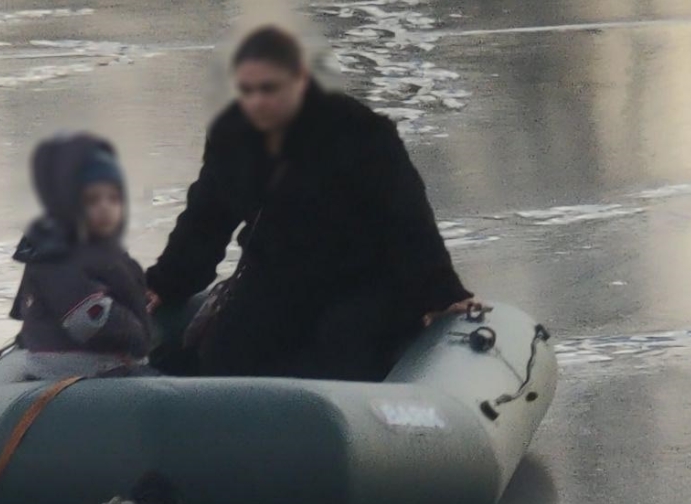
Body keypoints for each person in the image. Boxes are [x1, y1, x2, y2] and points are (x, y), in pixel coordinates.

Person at [145, 26, 483, 382]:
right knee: (227, 351)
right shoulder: (232, 137)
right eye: (247, 91)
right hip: (279, 275)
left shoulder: (362, 134)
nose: (257, 101)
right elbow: (206, 220)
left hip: (365, 279)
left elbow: (408, 221)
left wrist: (442, 292)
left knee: (341, 344)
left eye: (269, 89)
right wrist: (167, 282)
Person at [7, 132, 153, 379]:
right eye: (93, 200)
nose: (105, 207)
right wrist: (136, 332)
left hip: (88, 360)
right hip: (82, 366)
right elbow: (88, 320)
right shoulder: (58, 256)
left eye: (113, 199)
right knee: (163, 397)